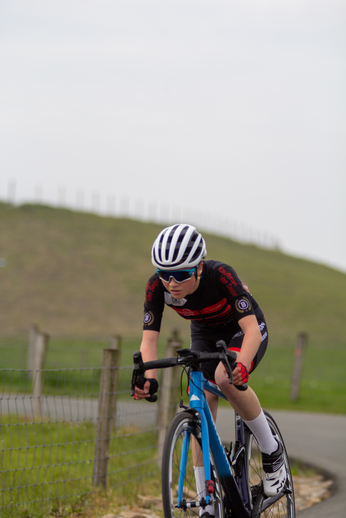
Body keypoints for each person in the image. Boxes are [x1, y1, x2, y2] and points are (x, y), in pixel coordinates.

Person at [134, 224, 286, 516]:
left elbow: (252, 329)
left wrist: (240, 365)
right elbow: (148, 341)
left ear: (199, 267)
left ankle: (271, 449)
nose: (171, 282)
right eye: (164, 274)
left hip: (243, 330)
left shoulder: (221, 275)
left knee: (224, 378)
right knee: (199, 396)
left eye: (180, 274)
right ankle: (207, 503)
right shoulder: (157, 285)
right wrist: (149, 379)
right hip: (204, 331)